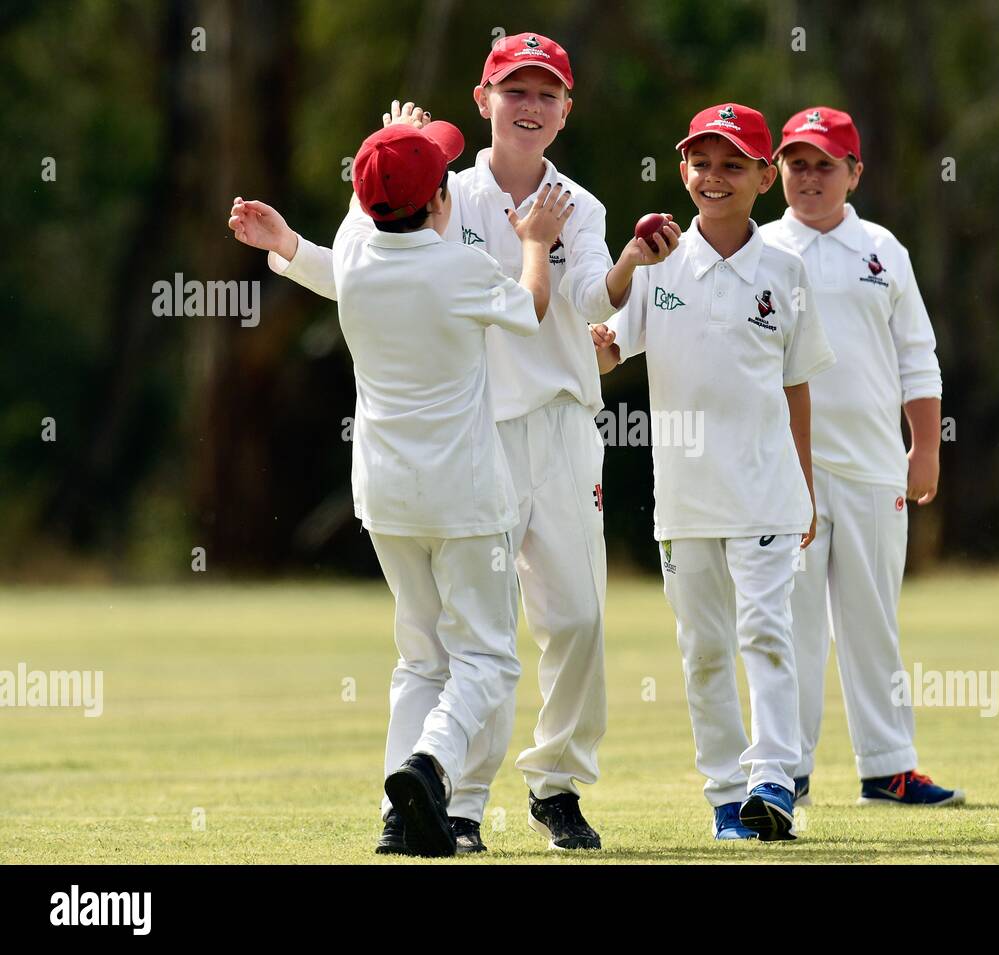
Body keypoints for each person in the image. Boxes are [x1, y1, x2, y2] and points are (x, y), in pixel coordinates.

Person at [228, 33, 679, 852]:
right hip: (476, 434)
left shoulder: (577, 200)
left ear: (567, 110)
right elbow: (365, 268)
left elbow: (582, 301)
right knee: (481, 633)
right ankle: (460, 803)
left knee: (575, 617)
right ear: (483, 101)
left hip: (562, 422)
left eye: (548, 94)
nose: (531, 106)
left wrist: (630, 263)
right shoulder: (447, 190)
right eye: (516, 91)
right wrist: (293, 248)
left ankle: (556, 783)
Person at [234, 114, 569, 855]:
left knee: (421, 656)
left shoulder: (356, 253)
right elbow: (533, 307)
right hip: (466, 496)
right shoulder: (460, 268)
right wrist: (536, 243)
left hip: (385, 497)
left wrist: (285, 244)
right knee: (487, 658)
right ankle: (429, 764)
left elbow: (336, 251)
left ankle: (398, 813)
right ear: (444, 199)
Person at [593, 103, 835, 841]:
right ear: (682, 170)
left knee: (765, 632)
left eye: (733, 164)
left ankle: (773, 779)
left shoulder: (786, 271)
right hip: (686, 496)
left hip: (765, 490)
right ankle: (729, 797)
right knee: (702, 650)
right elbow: (607, 353)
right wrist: (595, 334)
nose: (714, 177)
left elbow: (797, 387)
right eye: (702, 162)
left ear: (766, 175)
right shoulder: (658, 263)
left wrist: (806, 488)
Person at [760, 106, 964, 808]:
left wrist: (926, 446)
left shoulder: (883, 249)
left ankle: (889, 766)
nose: (810, 178)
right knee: (792, 624)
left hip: (876, 466)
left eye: (824, 165)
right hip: (789, 473)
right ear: (777, 170)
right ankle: (785, 769)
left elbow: (918, 355)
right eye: (797, 164)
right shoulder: (759, 249)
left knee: (873, 619)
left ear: (854, 172)